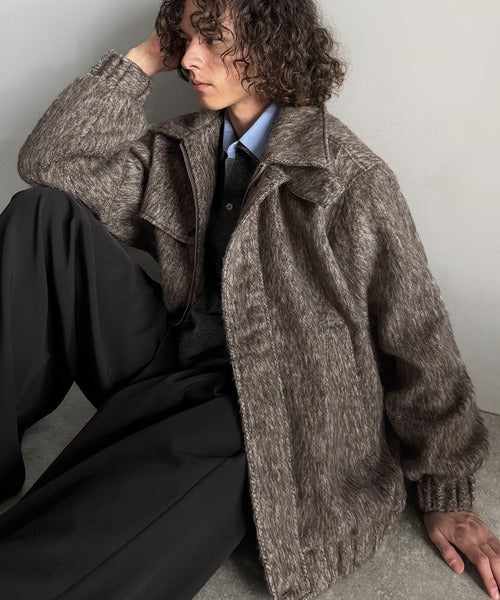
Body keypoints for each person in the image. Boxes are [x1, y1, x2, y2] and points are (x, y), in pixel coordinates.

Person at [1, 0, 499, 598]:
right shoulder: (180, 147)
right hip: (172, 358)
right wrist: (142, 60)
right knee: (41, 213)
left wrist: (446, 491)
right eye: (183, 38)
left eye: (212, 40)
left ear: (271, 44)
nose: (190, 59)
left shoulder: (347, 178)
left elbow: (416, 333)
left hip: (272, 403)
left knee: (111, 512)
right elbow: (49, 163)